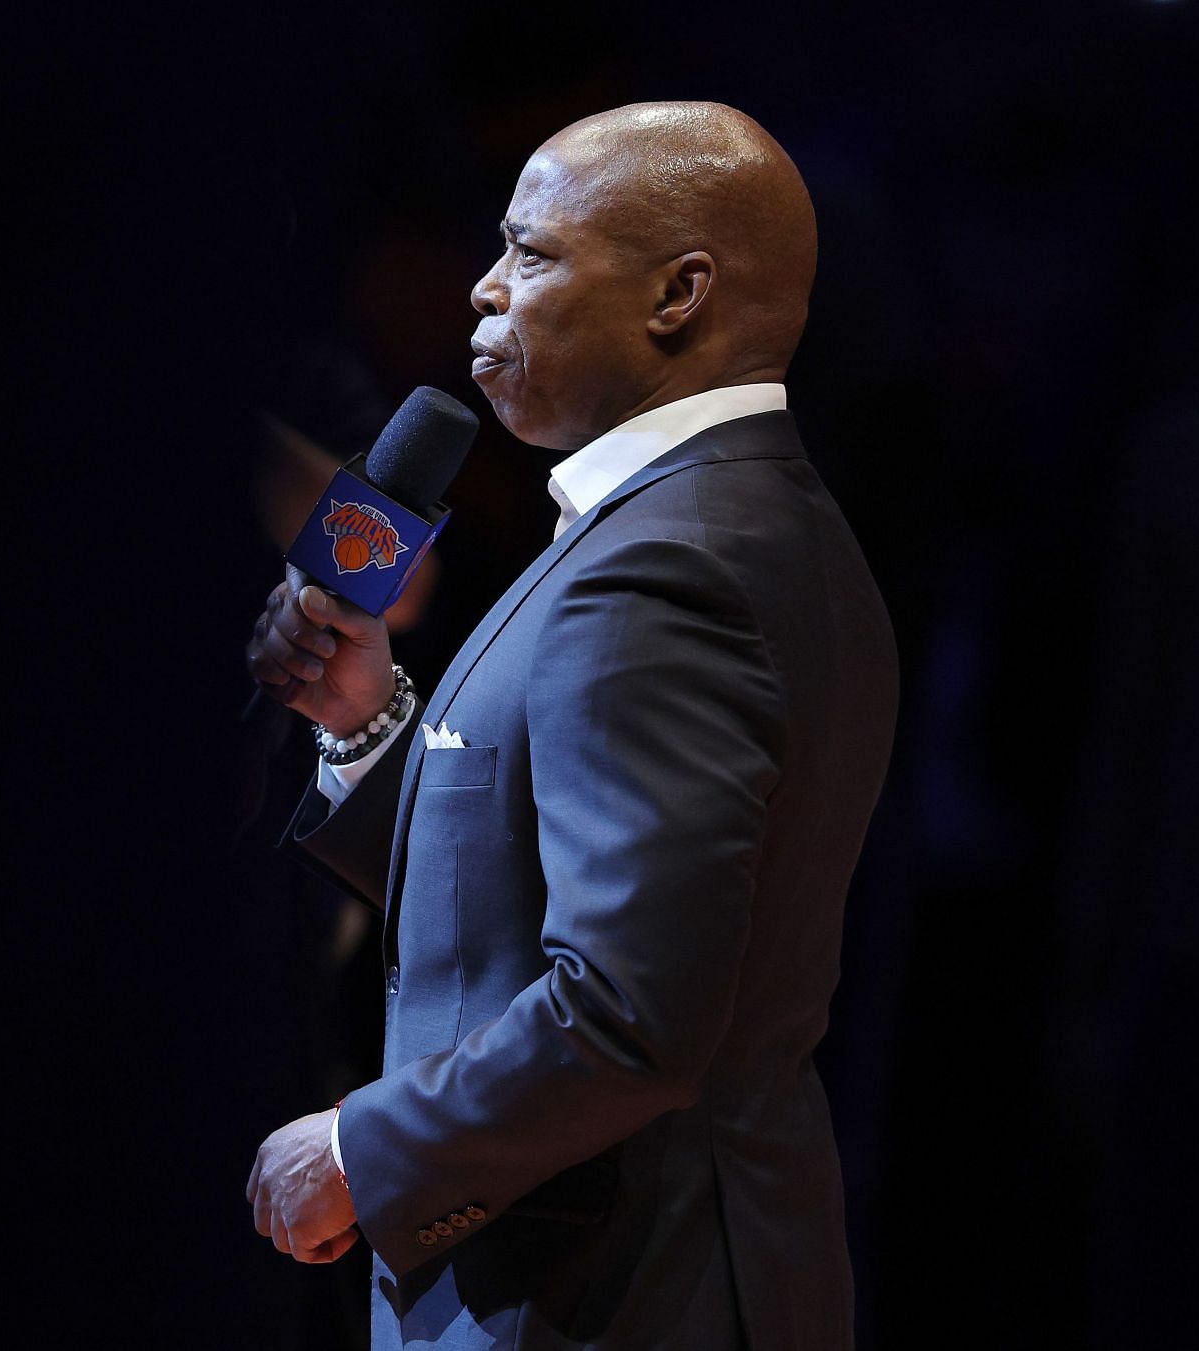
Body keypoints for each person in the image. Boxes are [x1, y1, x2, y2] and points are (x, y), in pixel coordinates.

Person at [244, 101, 897, 1350]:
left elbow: (630, 1008)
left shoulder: (670, 565)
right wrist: (365, 717)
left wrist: (361, 1147)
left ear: (679, 293)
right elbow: (547, 895)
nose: (484, 290)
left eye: (532, 255)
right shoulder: (736, 521)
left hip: (611, 1296)